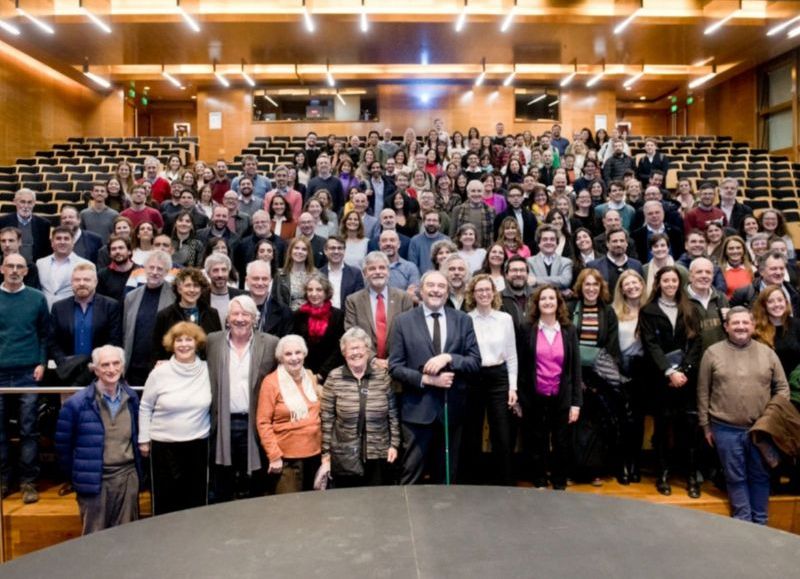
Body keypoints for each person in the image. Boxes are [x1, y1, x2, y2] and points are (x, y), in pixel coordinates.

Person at [697, 307, 790, 524]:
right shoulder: (712, 353)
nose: (740, 327)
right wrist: (705, 426)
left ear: (753, 326)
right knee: (735, 478)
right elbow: (703, 391)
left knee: (760, 476)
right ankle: (743, 524)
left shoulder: (767, 352)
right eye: (735, 323)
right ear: (726, 326)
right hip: (724, 429)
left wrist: (771, 419)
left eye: (745, 323)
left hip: (761, 430)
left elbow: (783, 388)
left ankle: (761, 523)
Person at [389, 270, 482, 484]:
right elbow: (395, 367)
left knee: (447, 476)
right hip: (417, 412)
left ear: (447, 291)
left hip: (452, 411)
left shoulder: (463, 320)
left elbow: (475, 362)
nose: (436, 290)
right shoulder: (403, 321)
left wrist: (449, 358)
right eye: (430, 285)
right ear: (421, 290)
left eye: (441, 286)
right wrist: (427, 380)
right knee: (410, 473)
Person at [55, 345, 142, 535]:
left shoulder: (132, 398)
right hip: (94, 482)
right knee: (94, 542)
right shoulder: (76, 404)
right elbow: (63, 449)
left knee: (129, 539)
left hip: (127, 478)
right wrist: (81, 477)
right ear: (95, 369)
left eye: (116, 363)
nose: (111, 369)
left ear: (123, 366)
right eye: (105, 365)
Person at [206, 296, 279, 501]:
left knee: (256, 481)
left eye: (245, 314)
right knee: (223, 481)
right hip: (222, 423)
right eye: (235, 314)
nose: (240, 319)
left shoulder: (271, 343)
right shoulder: (213, 341)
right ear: (227, 318)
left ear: (254, 318)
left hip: (254, 423)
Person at [639, 266, 703, 498]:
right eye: (665, 280)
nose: (670, 284)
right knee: (663, 427)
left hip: (686, 379)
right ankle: (663, 474)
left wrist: (684, 370)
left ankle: (691, 477)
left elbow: (697, 342)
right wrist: (669, 371)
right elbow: (650, 344)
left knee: (689, 430)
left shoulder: (691, 308)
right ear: (658, 283)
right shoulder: (648, 310)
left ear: (679, 282)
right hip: (661, 380)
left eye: (673, 280)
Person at [139, 322, 211, 515]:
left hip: (197, 444)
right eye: (179, 340)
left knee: (195, 500)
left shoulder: (207, 370)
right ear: (172, 344)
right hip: (164, 447)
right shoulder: (159, 372)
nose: (184, 345)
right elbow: (145, 406)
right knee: (165, 502)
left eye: (189, 339)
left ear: (197, 343)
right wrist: (143, 440)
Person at [319, 328, 400, 487]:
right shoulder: (334, 377)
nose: (355, 352)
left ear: (368, 350)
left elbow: (393, 414)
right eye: (351, 348)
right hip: (344, 455)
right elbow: (327, 419)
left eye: (359, 347)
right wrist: (326, 454)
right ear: (344, 353)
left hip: (380, 452)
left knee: (377, 502)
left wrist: (394, 445)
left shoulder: (382, 376)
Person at [519, 285, 582, 490]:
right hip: (534, 396)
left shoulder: (568, 329)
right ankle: (539, 479)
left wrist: (576, 403)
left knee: (562, 442)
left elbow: (575, 367)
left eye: (552, 299)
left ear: (558, 303)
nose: (547, 302)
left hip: (561, 396)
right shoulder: (527, 329)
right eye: (543, 299)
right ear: (537, 303)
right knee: (537, 440)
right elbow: (521, 365)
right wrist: (520, 398)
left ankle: (559, 481)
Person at [0, 253, 49, 503]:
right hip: (0, 372)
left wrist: (41, 362)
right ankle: (4, 480)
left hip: (28, 372)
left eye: (20, 267)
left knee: (29, 429)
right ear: (2, 268)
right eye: (10, 266)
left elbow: (44, 334)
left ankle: (28, 481)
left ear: (26, 272)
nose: (15, 270)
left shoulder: (37, 298)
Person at [462, 274, 518, 486]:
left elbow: (512, 355)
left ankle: (504, 481)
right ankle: (473, 482)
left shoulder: (505, 319)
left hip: (499, 378)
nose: (484, 294)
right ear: (473, 294)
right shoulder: (466, 319)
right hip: (474, 378)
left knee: (502, 433)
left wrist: (512, 387)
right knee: (472, 432)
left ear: (494, 293)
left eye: (488, 290)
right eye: (479, 291)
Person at [569, 268, 621, 485]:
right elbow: (567, 345)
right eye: (587, 284)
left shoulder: (608, 312)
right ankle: (572, 471)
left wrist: (596, 381)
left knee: (596, 426)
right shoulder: (571, 309)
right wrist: (577, 377)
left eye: (595, 285)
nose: (591, 289)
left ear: (601, 288)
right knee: (573, 425)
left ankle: (594, 471)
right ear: (580, 287)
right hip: (573, 376)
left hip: (599, 378)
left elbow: (611, 347)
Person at [256, 334, 322, 494]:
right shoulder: (271, 382)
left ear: (304, 354)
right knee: (290, 512)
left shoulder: (310, 377)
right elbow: (263, 422)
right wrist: (274, 456)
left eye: (298, 352)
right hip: (286, 461)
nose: (294, 358)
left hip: (315, 456)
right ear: (280, 358)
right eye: (288, 354)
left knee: (315, 509)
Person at [48, 263, 122, 382]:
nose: (81, 283)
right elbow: (52, 341)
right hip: (67, 373)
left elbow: (114, 340)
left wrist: (98, 363)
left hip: (100, 372)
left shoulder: (110, 306)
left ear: (95, 282)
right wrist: (64, 362)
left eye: (87, 279)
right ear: (71, 283)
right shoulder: (58, 307)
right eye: (77, 280)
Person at [612, 270, 648, 483]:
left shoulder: (651, 310)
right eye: (627, 284)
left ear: (642, 285)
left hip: (642, 370)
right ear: (621, 288)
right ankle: (622, 463)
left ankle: (635, 463)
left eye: (635, 282)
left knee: (638, 419)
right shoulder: (614, 311)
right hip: (619, 369)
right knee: (622, 419)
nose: (632, 287)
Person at [123, 251, 176, 385]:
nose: (154, 272)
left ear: (166, 272)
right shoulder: (131, 297)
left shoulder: (175, 296)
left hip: (162, 367)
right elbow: (125, 331)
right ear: (144, 269)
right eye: (151, 267)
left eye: (160, 269)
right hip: (134, 366)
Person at [152, 268, 223, 362]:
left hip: (204, 370)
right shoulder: (165, 315)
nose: (192, 290)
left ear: (201, 289)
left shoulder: (212, 314)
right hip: (174, 370)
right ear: (179, 289)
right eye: (187, 285)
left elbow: (217, 346)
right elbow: (156, 350)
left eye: (196, 286)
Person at [292, 274, 345, 383]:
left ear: (326, 292)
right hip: (303, 373)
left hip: (332, 374)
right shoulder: (298, 315)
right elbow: (296, 345)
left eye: (319, 290)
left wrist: (322, 374)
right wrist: (307, 372)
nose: (314, 294)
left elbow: (339, 348)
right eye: (310, 290)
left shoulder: (338, 315)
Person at [36, 225, 91, 309]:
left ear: (73, 242)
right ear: (52, 242)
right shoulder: (40, 263)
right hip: (45, 314)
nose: (62, 242)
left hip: (71, 313)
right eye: (58, 238)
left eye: (66, 239)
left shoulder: (86, 264)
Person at [753, 285, 800, 379]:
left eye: (780, 300)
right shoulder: (756, 330)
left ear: (786, 302)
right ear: (763, 305)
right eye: (770, 301)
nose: (777, 304)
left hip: (796, 385)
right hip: (768, 385)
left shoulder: (797, 325)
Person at [0, 188, 51, 262]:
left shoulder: (43, 224)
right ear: (15, 202)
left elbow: (45, 251)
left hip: (34, 268)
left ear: (34, 203)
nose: (26, 206)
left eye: (29, 202)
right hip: (9, 266)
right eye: (22, 202)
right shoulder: (2, 222)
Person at [319, 235, 364, 309]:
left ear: (344, 250)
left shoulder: (356, 274)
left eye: (340, 248)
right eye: (332, 248)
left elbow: (359, 300)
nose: (336, 251)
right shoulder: (318, 274)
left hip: (348, 317)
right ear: (325, 251)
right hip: (324, 317)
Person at [527, 225, 573, 291]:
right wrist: (560, 288)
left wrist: (536, 280)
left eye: (552, 239)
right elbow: (530, 284)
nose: (549, 242)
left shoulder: (566, 262)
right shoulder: (529, 262)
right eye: (545, 239)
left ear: (557, 243)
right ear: (538, 243)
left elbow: (565, 281)